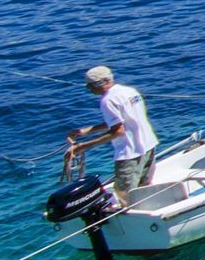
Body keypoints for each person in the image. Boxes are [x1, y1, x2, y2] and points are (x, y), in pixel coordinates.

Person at [66, 65, 157, 206]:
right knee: (144, 184)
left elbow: (118, 131)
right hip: (148, 145)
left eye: (89, 85)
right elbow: (123, 119)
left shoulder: (107, 100)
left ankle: (132, 220)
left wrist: (83, 146)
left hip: (130, 153)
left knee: (123, 192)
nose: (88, 89)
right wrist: (86, 131)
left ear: (98, 84)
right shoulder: (129, 91)